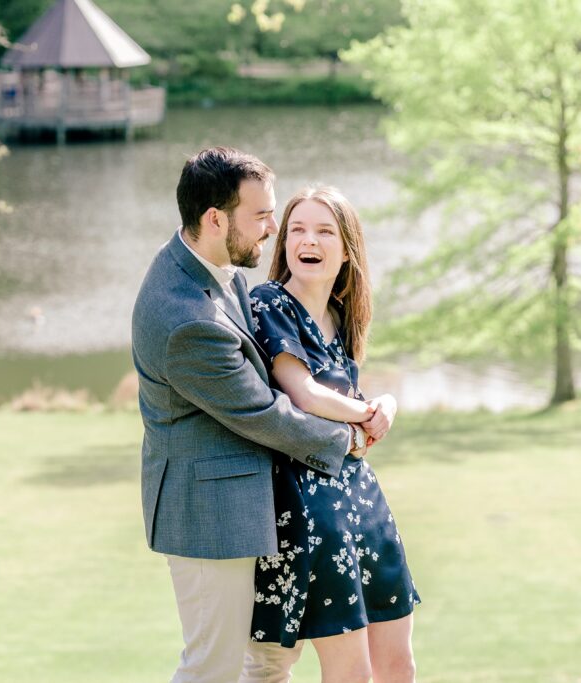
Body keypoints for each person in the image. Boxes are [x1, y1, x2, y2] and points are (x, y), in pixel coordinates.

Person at [132, 148, 376, 683]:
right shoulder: (186, 321)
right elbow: (262, 412)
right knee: (211, 670)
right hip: (207, 511)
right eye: (262, 216)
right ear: (215, 219)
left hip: (240, 501)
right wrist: (347, 438)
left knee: (247, 666)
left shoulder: (210, 268)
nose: (273, 229)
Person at [244, 186, 420, 683]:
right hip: (310, 504)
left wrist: (385, 403)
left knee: (398, 664)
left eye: (324, 231)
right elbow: (302, 392)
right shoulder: (269, 303)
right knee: (352, 674)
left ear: (347, 250)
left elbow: (345, 400)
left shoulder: (341, 318)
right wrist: (369, 411)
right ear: (284, 245)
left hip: (362, 494)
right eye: (297, 229)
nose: (309, 240)